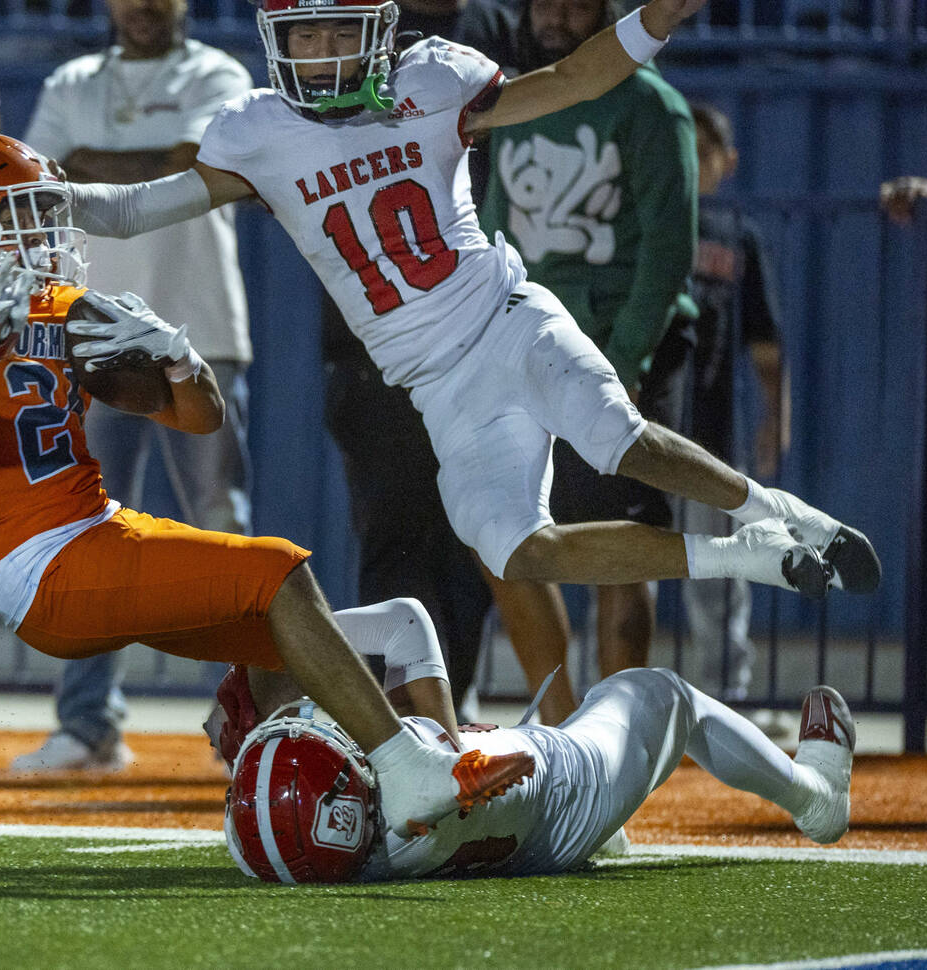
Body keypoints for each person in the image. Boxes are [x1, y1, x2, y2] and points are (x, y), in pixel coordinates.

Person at [68, 0, 883, 673]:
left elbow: (573, 77)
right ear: (278, 43)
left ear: (377, 33)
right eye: (305, 35)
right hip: (437, 387)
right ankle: (748, 555)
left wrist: (656, 20)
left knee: (615, 437)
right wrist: (43, 191)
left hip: (504, 319)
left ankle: (788, 514)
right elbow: (136, 207)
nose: (323, 53)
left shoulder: (431, 79)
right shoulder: (257, 131)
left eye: (339, 31)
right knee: (518, 547)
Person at [0, 131, 535, 837]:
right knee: (278, 573)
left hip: (93, 531)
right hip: (35, 562)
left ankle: (421, 786)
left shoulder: (54, 307)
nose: (48, 231)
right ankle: (409, 775)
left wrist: (179, 359)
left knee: (397, 626)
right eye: (24, 214)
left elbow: (198, 418)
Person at [10, 0, 257, 774]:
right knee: (81, 532)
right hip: (88, 339)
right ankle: (89, 725)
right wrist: (153, 166)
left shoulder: (221, 73)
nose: (144, 6)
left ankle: (253, 718)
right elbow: (36, 184)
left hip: (199, 333)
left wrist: (87, 165)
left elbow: (192, 170)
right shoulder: (73, 78)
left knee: (222, 522)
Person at [218, 606, 856, 883]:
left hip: (516, 842)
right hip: (565, 790)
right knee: (663, 692)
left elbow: (277, 817)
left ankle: (610, 826)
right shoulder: (411, 795)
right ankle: (816, 795)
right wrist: (443, 744)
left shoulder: (286, 850)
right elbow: (408, 623)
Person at [463, 0, 699, 722]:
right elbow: (496, 231)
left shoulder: (653, 106)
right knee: (500, 535)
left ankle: (618, 739)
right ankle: (565, 733)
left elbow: (667, 251)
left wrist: (623, 358)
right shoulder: (513, 104)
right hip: (526, 348)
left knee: (624, 548)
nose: (557, 13)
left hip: (622, 351)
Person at [320, 0, 493, 718]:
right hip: (374, 354)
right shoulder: (315, 84)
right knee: (397, 539)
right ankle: (404, 712)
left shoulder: (478, 54)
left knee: (475, 537)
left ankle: (445, 699)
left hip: (463, 338)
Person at [682, 102, 790, 707]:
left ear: (729, 162)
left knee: (722, 570)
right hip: (640, 425)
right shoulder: (650, 215)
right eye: (684, 148)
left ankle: (727, 698)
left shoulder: (738, 233)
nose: (692, 164)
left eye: (704, 152)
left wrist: (777, 422)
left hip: (713, 436)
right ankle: (606, 695)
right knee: (620, 565)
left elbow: (767, 348)